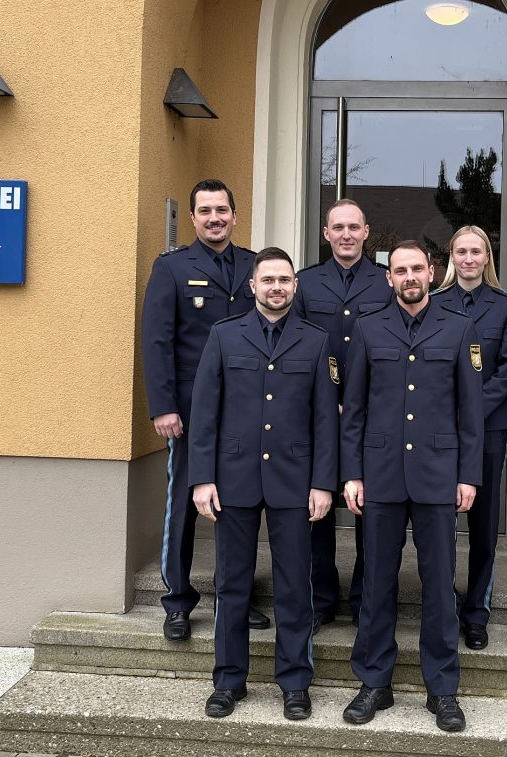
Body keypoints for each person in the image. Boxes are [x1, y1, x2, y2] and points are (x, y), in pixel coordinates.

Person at [340, 240, 483, 732]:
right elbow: (353, 411)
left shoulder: (460, 328)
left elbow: (471, 413)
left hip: (439, 475)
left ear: (431, 271)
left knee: (439, 586)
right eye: (399, 270)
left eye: (416, 268)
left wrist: (468, 476)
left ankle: (442, 689)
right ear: (389, 277)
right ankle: (374, 682)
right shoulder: (366, 329)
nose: (409, 277)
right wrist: (351, 473)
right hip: (379, 474)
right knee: (377, 582)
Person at [189, 247, 338, 720]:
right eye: (268, 279)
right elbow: (205, 413)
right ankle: (228, 681)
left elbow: (324, 422)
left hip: (295, 482)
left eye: (285, 280)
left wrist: (323, 483)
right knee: (232, 584)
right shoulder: (224, 335)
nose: (277, 287)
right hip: (233, 480)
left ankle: (294, 682)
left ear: (296, 286)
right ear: (253, 286)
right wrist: (202, 479)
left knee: (295, 586)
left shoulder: (316, 341)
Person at [142, 179, 270, 642]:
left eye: (222, 210)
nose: (215, 218)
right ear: (193, 218)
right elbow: (157, 341)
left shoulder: (256, 266)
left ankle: (234, 595)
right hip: (192, 412)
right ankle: (177, 601)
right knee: (185, 507)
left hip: (249, 412)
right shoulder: (173, 268)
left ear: (235, 216)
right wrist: (163, 407)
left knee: (241, 507)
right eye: (205, 211)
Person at [293, 199, 392, 633]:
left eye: (354, 226)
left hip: (372, 417)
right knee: (318, 510)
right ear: (326, 233)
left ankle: (365, 598)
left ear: (367, 231)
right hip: (319, 416)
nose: (347, 234)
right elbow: (294, 346)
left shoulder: (387, 283)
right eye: (339, 227)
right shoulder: (305, 283)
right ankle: (321, 598)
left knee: (369, 508)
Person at [431, 226, 507, 650]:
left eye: (476, 251)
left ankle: (476, 614)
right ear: (452, 257)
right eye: (461, 251)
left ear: (487, 257)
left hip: (487, 427)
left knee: (483, 525)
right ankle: (445, 605)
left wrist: (473, 408)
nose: (469, 259)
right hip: (441, 430)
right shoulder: (434, 303)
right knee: (441, 523)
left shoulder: (504, 306)